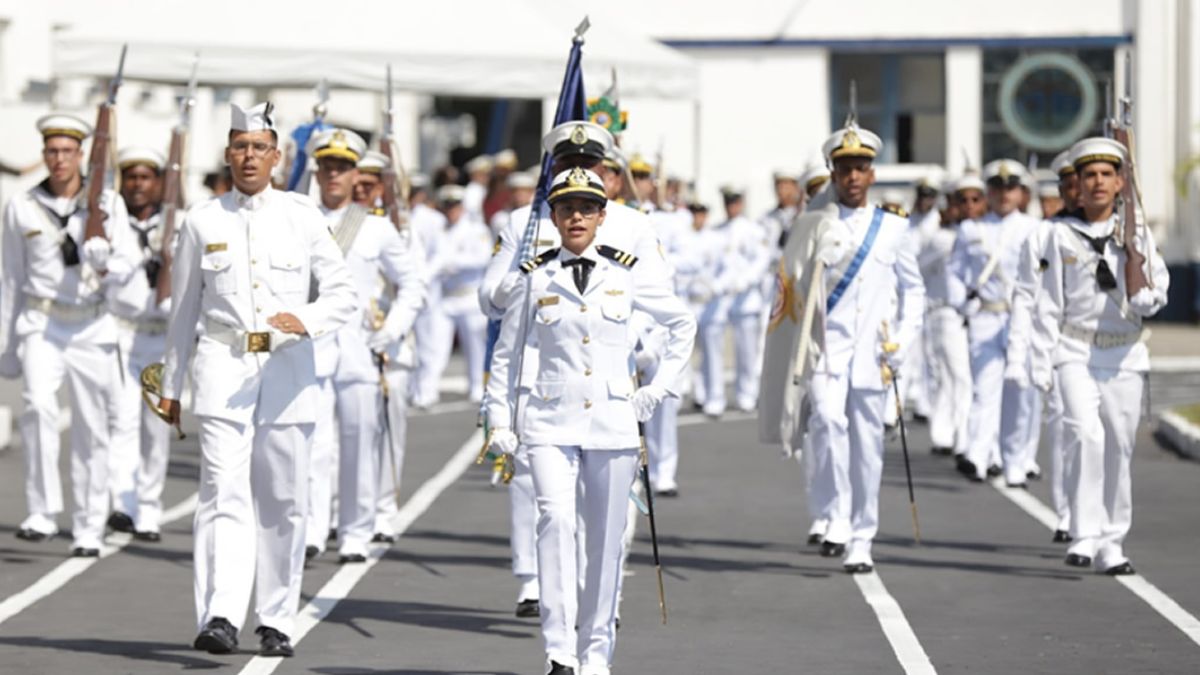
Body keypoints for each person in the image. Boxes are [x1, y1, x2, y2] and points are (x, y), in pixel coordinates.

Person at [157, 102, 356, 657]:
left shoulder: (301, 215)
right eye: (240, 146)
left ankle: (275, 618)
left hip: (289, 367)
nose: (249, 156)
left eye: (259, 147)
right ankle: (220, 613)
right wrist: (171, 385)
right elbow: (183, 309)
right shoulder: (203, 219)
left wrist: (309, 320)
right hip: (223, 366)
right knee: (222, 492)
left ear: (277, 156)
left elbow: (342, 292)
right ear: (228, 154)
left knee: (284, 498)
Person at [485, 167, 696, 675]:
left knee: (605, 540)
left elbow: (682, 323)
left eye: (586, 208)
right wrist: (498, 418)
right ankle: (559, 651)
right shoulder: (534, 276)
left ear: (603, 217)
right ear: (552, 217)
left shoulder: (625, 273)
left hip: (613, 421)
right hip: (549, 422)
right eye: (565, 208)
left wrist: (656, 389)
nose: (575, 216)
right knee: (555, 523)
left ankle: (596, 653)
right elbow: (506, 355)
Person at [0, 114, 135, 556]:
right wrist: (6, 343)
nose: (58, 160)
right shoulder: (21, 206)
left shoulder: (108, 204)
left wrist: (105, 261)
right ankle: (42, 510)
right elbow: (10, 279)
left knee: (92, 429)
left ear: (81, 156)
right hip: (42, 322)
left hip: (92, 324)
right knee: (38, 406)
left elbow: (130, 268)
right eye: (51, 151)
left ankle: (89, 526)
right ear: (44, 155)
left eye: (66, 152)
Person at [1033, 136, 1169, 573]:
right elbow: (1047, 303)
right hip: (1074, 349)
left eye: (1106, 175)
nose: (1096, 183)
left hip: (1123, 354)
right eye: (1089, 175)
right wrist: (1040, 360)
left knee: (1118, 447)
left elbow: (1156, 290)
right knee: (1085, 434)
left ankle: (1113, 542)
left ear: (1120, 182)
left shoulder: (1137, 233)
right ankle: (1084, 533)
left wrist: (1146, 295)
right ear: (1078, 182)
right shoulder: (1056, 234)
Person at [803, 122, 924, 570]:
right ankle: (835, 515)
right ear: (833, 174)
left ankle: (862, 535)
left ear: (872, 174)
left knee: (868, 447)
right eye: (844, 168)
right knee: (829, 425)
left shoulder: (893, 228)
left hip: (873, 355)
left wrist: (903, 340)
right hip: (827, 351)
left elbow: (915, 292)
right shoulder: (815, 225)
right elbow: (793, 290)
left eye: (861, 167)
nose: (853, 176)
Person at [304, 129, 425, 564]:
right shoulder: (298, 218)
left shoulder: (374, 228)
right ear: (316, 171)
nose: (333, 174)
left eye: (342, 167)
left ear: (356, 174)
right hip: (310, 347)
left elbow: (413, 284)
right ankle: (313, 528)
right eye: (326, 166)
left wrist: (391, 330)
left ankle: (355, 531)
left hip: (357, 346)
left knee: (358, 443)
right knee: (313, 444)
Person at [947, 159, 1041, 483]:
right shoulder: (971, 229)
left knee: (1020, 390)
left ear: (1021, 193)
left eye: (1010, 188)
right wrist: (963, 305)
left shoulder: (1034, 228)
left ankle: (1018, 458)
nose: (1004, 194)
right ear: (989, 191)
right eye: (998, 188)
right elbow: (954, 273)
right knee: (984, 386)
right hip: (986, 314)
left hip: (1022, 319)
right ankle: (977, 454)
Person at [107, 146, 173, 541]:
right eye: (130, 176)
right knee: (122, 421)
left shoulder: (177, 221)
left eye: (145, 177)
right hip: (121, 330)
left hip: (160, 337)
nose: (137, 184)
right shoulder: (110, 221)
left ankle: (149, 506)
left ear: (160, 182)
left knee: (156, 425)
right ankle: (123, 503)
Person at [922, 175, 978, 458]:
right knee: (959, 376)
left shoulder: (975, 234)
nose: (965, 208)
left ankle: (943, 433)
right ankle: (964, 439)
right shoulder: (943, 240)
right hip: (946, 312)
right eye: (959, 202)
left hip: (974, 313)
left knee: (950, 377)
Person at [427, 184, 492, 402]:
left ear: (462, 207)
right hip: (446, 296)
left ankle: (477, 386)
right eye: (447, 206)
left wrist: (455, 263)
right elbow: (434, 259)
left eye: (454, 206)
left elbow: (484, 258)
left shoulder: (476, 229)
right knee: (436, 344)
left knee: (474, 347)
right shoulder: (439, 229)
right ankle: (428, 388)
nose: (451, 210)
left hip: (469, 295)